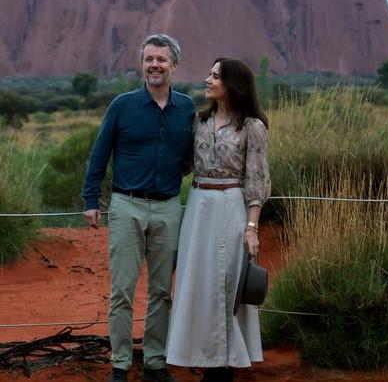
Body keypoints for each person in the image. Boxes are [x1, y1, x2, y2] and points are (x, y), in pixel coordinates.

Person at [82, 33, 196, 382]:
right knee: (122, 289)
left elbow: (191, 158)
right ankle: (119, 363)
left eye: (161, 60)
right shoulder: (123, 105)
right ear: (141, 64)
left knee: (163, 290)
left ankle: (155, 362)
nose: (154, 66)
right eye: (149, 59)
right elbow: (99, 154)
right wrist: (91, 200)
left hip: (167, 207)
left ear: (174, 65)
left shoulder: (187, 108)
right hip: (126, 205)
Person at [165, 58, 271, 382]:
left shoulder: (252, 127)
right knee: (198, 281)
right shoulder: (199, 121)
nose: (207, 80)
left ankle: (223, 365)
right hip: (198, 205)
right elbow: (182, 164)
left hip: (231, 206)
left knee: (226, 284)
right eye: (209, 73)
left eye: (215, 76)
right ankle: (205, 356)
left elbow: (257, 179)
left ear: (232, 85)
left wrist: (252, 227)